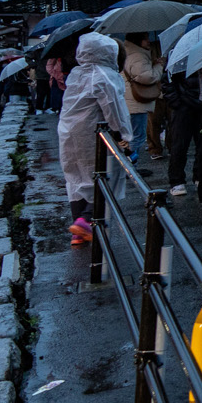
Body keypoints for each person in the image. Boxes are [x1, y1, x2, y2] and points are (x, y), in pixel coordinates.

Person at [58, 33, 131, 246]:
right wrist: (123, 136)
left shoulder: (77, 73)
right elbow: (114, 109)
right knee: (107, 174)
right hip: (92, 133)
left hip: (68, 132)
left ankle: (78, 230)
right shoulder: (105, 76)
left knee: (75, 177)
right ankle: (87, 219)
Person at [162, 63, 202, 211]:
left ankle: (198, 176)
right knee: (179, 145)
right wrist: (176, 102)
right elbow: (167, 80)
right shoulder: (178, 57)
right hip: (184, 105)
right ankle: (177, 180)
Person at [120, 33, 164, 173]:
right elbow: (147, 77)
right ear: (138, 40)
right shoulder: (138, 55)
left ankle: (129, 166)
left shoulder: (127, 52)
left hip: (129, 101)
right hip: (136, 103)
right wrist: (159, 66)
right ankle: (131, 168)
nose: (148, 41)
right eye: (145, 39)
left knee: (130, 136)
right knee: (137, 137)